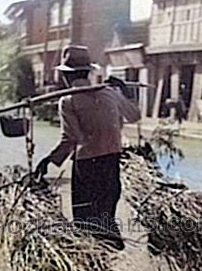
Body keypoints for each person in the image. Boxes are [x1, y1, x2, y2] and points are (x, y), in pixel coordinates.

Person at [34, 45, 140, 250]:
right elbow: (134, 115)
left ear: (67, 76)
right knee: (103, 214)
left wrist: (49, 160)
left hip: (87, 166)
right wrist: (125, 91)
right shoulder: (110, 93)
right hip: (111, 163)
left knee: (84, 224)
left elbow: (71, 138)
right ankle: (105, 251)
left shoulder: (68, 101)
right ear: (87, 72)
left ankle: (97, 263)